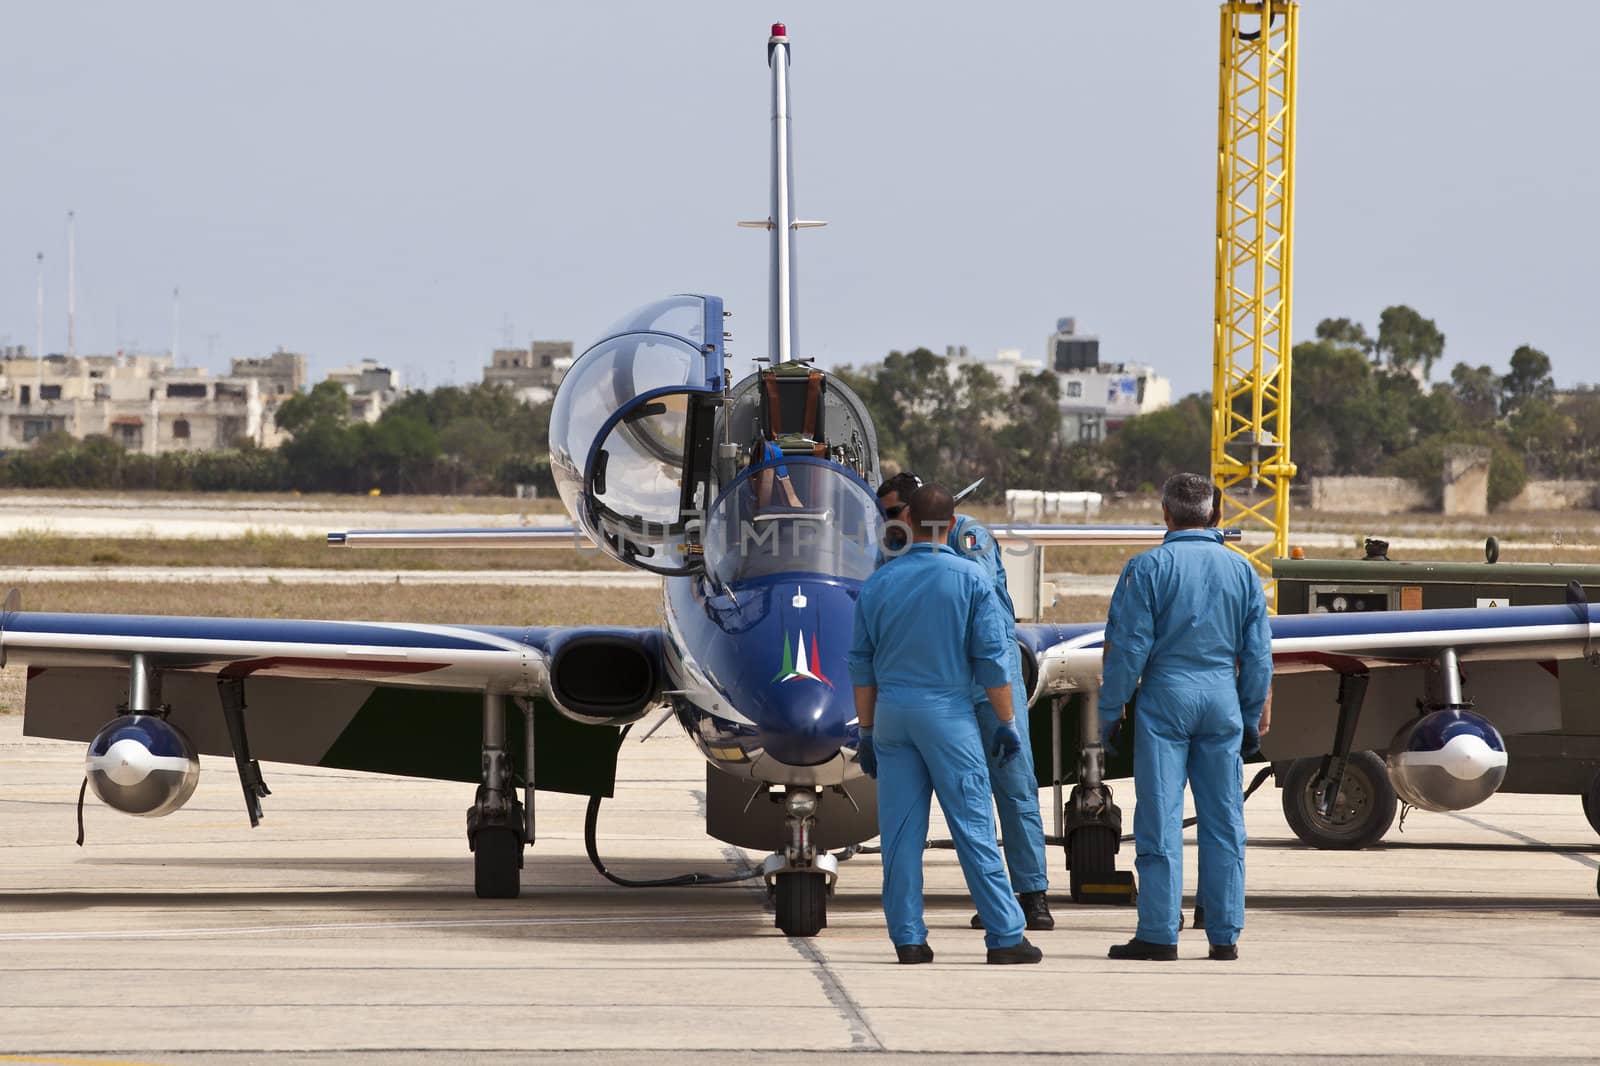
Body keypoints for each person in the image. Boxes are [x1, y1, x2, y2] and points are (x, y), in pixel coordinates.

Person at [848, 483, 1043, 965]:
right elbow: (994, 663)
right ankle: (1004, 935)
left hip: (893, 718)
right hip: (949, 716)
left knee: (900, 832)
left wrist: (868, 732)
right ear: (953, 525)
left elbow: (861, 664)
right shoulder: (969, 579)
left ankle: (909, 939)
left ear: (907, 520)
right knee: (973, 825)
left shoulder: (879, 581)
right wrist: (1006, 723)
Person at [1099, 472, 1272, 961]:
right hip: (1221, 699)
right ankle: (1224, 934)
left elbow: (1127, 650)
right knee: (1224, 821)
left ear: (1166, 515)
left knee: (1161, 818)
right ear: (1217, 516)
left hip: (1165, 702)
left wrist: (1109, 714)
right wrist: (1251, 714)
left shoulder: (1147, 568)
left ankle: (1158, 932)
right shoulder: (1242, 571)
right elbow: (1258, 654)